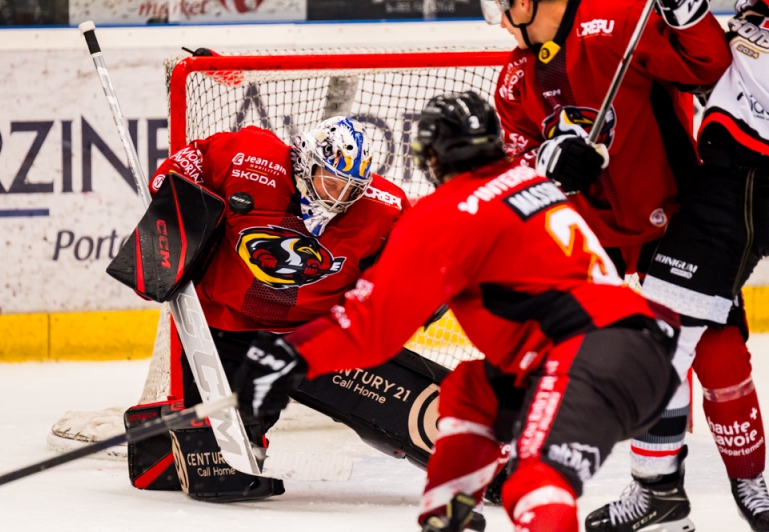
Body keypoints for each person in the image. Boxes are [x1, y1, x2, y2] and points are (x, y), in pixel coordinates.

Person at [230, 91, 682, 532]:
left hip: (585, 359)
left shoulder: (443, 214)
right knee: (470, 391)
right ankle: (449, 515)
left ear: (432, 158)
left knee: (534, 482)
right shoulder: (529, 182)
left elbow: (370, 331)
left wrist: (293, 353)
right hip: (641, 354)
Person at [482, 1, 742, 529]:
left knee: (717, 351)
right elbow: (514, 167)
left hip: (672, 216)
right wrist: (546, 163)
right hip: (589, 234)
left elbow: (708, 68)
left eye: (502, 8)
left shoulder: (618, 19)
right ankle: (638, 490)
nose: (502, 23)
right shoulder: (514, 78)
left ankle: (750, 482)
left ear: (527, 3)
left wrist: (687, 14)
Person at [148, 116, 409, 500]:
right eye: (332, 182)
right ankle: (201, 439)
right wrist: (169, 192)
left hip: (307, 337)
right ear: (306, 164)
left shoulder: (384, 208)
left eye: (352, 189)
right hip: (224, 319)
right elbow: (194, 160)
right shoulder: (248, 158)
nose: (339, 198)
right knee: (215, 455)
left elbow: (416, 256)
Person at [587, 2, 769, 531]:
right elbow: (707, 64)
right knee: (662, 338)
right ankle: (656, 493)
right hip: (726, 182)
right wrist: (688, 14)